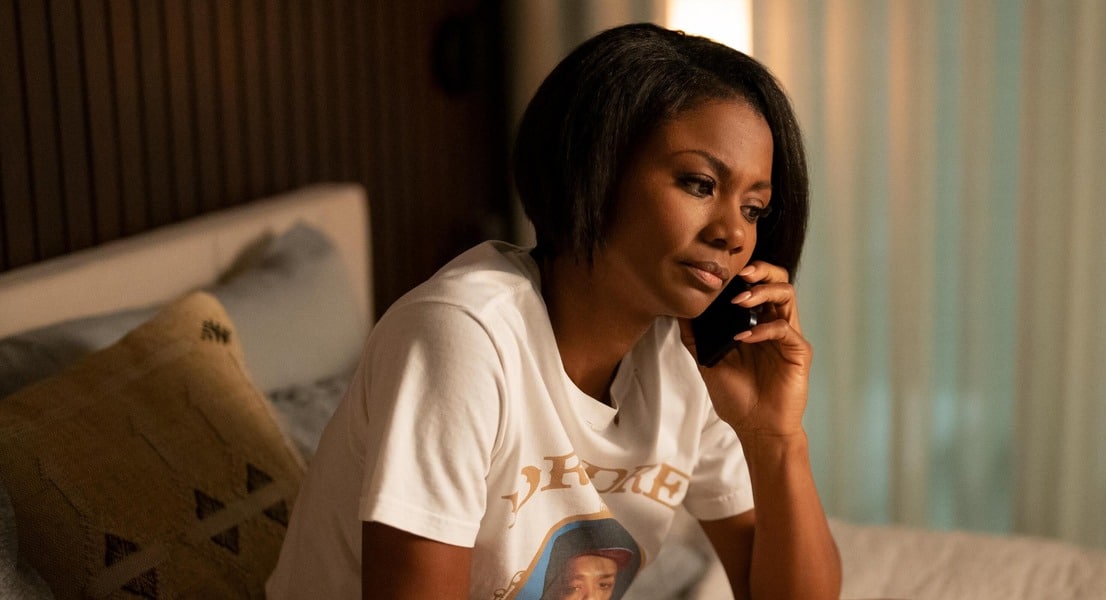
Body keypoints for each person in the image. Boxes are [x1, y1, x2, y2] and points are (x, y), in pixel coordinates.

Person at [267, 22, 841, 599]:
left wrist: (775, 437)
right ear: (595, 166)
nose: (734, 234)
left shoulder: (692, 358)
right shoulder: (463, 335)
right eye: (699, 183)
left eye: (754, 209)